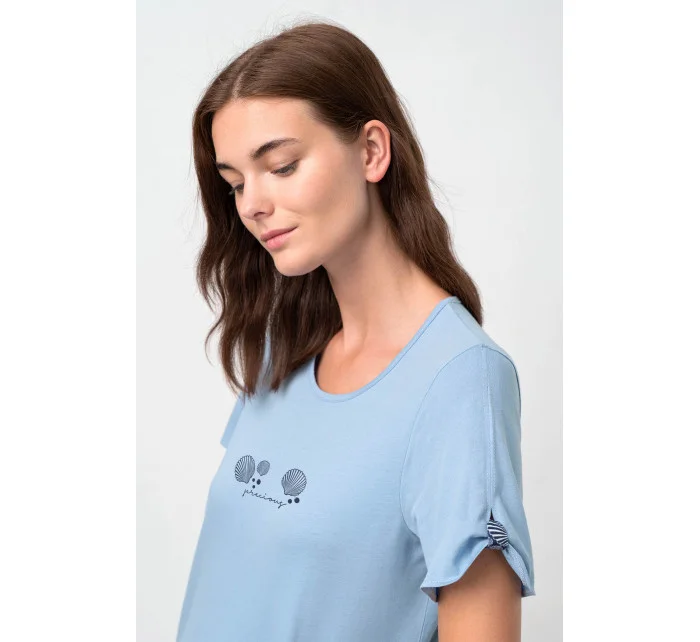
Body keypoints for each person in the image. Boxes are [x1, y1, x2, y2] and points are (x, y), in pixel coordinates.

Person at [176, 20, 535, 642]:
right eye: (235, 183)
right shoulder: (282, 349)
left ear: (371, 151)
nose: (251, 204)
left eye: (281, 166)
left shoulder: (459, 380)